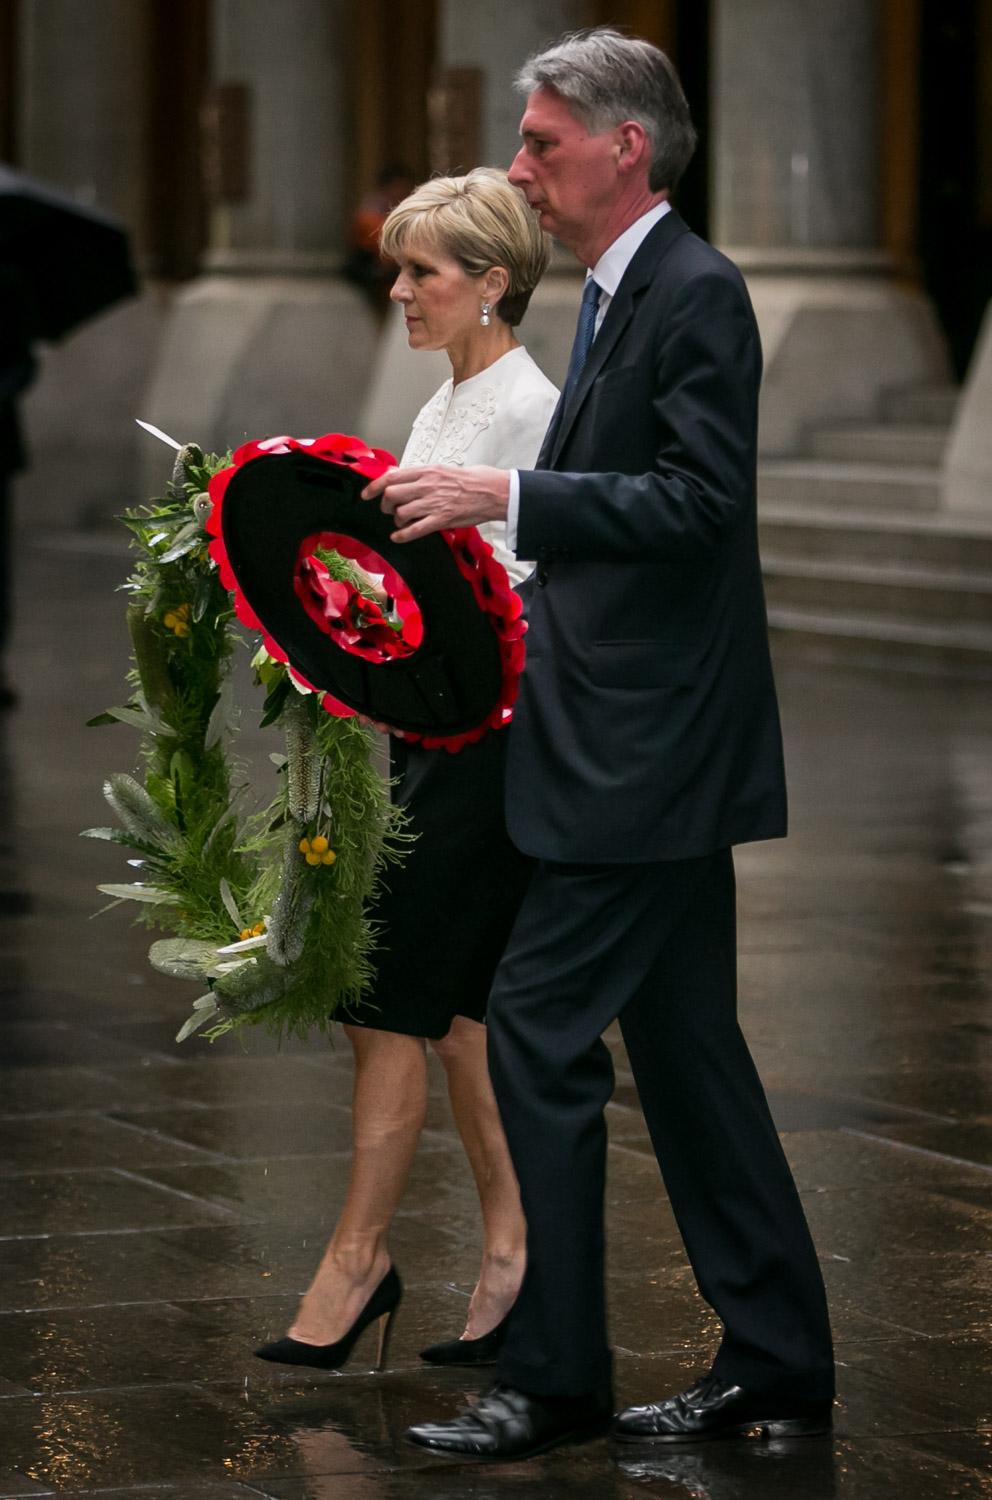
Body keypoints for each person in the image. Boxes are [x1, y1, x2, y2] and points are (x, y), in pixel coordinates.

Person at [363, 27, 835, 1462]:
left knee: (542, 1034)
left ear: (625, 148)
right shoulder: (631, 293)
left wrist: (508, 491)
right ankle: (778, 1363)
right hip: (642, 746)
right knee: (690, 1056)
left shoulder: (695, 291)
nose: (520, 165)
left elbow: (699, 505)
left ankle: (557, 1375)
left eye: (542, 142)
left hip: (651, 758)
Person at [255, 168, 559, 1373]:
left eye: (419, 271)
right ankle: (510, 1250)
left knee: (389, 996)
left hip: (492, 748)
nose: (398, 290)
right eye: (396, 267)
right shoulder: (446, 403)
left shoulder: (527, 409)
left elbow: (516, 600)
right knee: (457, 1013)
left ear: (491, 283)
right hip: (431, 740)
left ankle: (357, 1262)